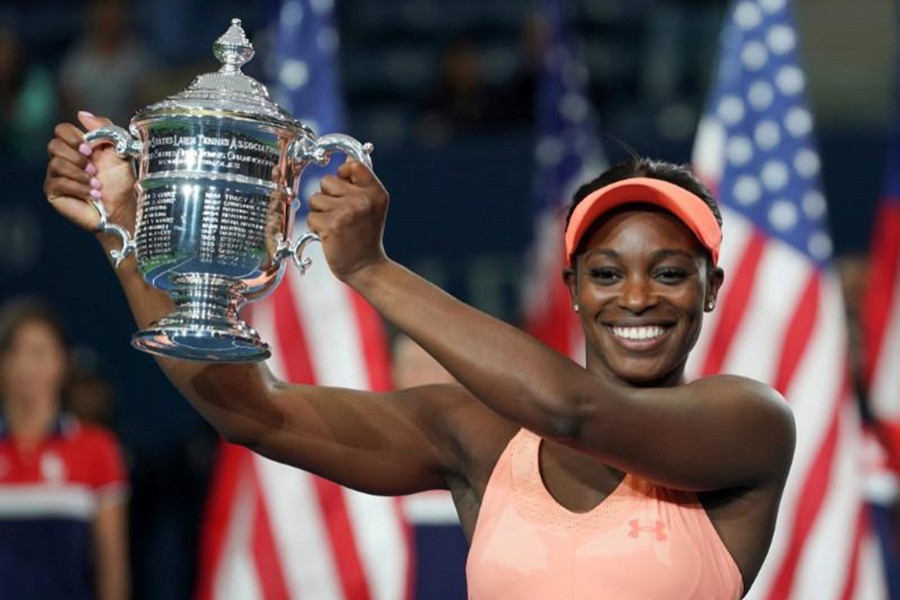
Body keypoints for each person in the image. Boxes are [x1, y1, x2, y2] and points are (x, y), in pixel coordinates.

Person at [45, 112, 795, 599]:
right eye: (606, 273)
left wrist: (373, 269)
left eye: (669, 273)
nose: (636, 297)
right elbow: (256, 415)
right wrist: (131, 235)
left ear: (711, 289)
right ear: (572, 288)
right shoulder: (479, 438)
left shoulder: (750, 424)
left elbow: (577, 409)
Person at [0, 296, 130, 600]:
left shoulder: (97, 448)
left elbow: (113, 567)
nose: (24, 365)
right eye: (13, 351)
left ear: (62, 362)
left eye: (38, 353)